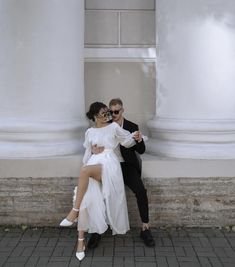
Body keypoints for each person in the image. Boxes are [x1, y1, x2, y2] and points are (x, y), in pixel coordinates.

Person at [59, 102, 141, 261]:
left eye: (108, 112)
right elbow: (86, 155)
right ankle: (80, 242)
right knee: (84, 198)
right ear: (95, 115)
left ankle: (73, 212)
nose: (108, 115)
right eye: (104, 113)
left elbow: (126, 140)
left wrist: (136, 136)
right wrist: (92, 153)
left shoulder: (113, 127)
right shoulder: (89, 132)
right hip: (93, 165)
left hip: (109, 165)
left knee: (84, 172)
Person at [87, 98, 155, 248]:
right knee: (99, 193)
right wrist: (92, 150)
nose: (113, 114)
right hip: (108, 166)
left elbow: (141, 150)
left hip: (126, 166)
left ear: (122, 110)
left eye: (116, 111)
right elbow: (93, 142)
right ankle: (98, 230)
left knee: (141, 191)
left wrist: (138, 139)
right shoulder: (105, 125)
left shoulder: (131, 126)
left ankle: (145, 228)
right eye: (110, 112)